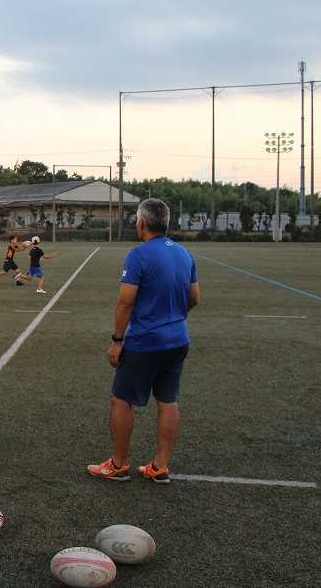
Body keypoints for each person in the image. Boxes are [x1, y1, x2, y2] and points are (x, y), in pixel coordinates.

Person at [87, 199, 200, 485]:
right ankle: (160, 467)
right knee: (168, 401)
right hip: (178, 339)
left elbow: (126, 302)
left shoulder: (138, 255)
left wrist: (117, 340)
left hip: (145, 342)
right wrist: (173, 318)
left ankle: (118, 464)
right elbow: (194, 297)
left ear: (141, 223)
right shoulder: (184, 253)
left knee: (121, 400)